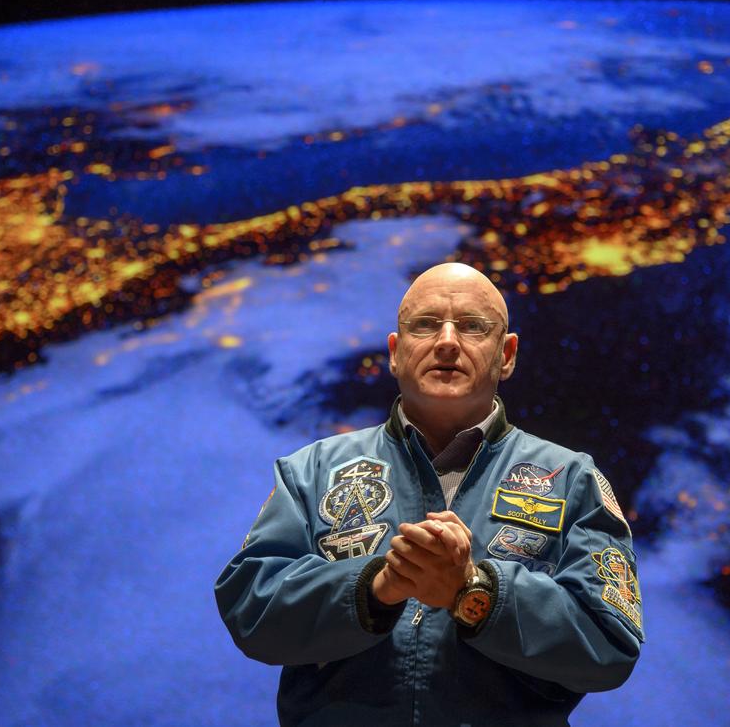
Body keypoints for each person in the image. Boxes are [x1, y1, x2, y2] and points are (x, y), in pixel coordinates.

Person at [214, 262, 643, 726]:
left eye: (474, 327)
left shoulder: (572, 478)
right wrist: (377, 587)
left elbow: (608, 645)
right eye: (424, 325)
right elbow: (250, 609)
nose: (446, 341)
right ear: (395, 353)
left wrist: (475, 590)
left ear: (507, 354)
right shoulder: (311, 470)